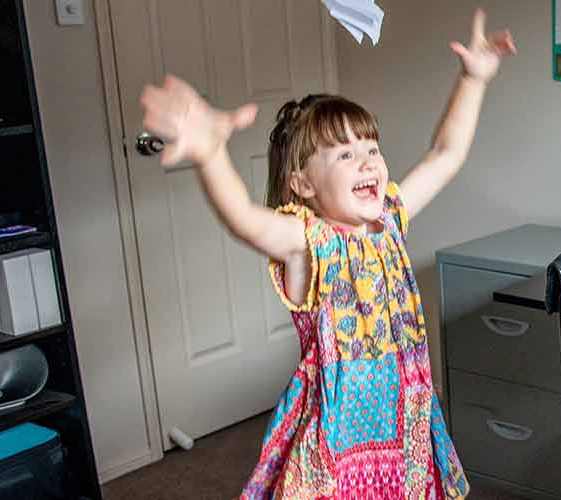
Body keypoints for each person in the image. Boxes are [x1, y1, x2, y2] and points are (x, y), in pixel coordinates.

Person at [137, 9, 515, 499]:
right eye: (344, 154)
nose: (367, 161)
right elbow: (246, 222)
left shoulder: (391, 218)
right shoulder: (306, 242)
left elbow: (445, 155)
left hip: (405, 422)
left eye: (372, 148)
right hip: (339, 447)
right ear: (302, 184)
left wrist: (473, 79)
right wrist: (211, 156)